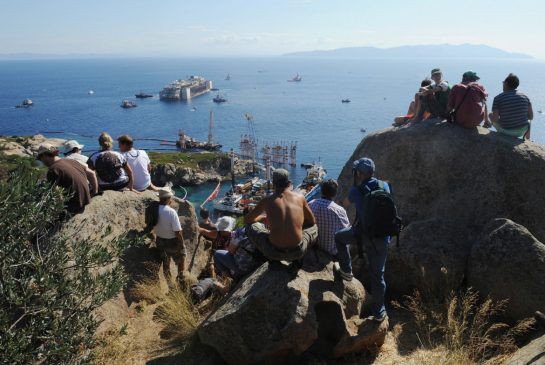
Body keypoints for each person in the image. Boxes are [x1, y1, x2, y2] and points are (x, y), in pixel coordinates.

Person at [334, 157, 390, 323]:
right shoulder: (384, 185)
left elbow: (343, 204)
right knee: (378, 276)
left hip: (362, 235)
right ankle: (380, 311)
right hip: (382, 238)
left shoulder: (356, 191)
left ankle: (346, 270)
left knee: (339, 237)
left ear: (359, 173)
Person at [244, 169, 318, 262]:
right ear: (289, 183)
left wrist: (262, 218)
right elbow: (312, 221)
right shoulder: (300, 197)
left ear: (273, 184)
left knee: (249, 226)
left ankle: (271, 261)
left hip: (273, 252)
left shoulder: (266, 200)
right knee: (314, 227)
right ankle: (298, 262)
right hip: (298, 251)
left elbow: (247, 220)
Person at [36, 143, 98, 214]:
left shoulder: (53, 170)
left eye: (40, 159)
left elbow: (58, 196)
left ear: (44, 156)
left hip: (74, 207)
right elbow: (92, 173)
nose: (42, 162)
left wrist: (57, 212)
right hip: (87, 200)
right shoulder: (71, 161)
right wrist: (95, 193)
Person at [308, 179, 350, 256]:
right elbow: (346, 230)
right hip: (332, 251)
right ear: (335, 193)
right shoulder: (339, 210)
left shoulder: (311, 204)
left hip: (315, 246)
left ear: (322, 191)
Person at [154, 187, 186, 284]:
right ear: (168, 198)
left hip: (159, 240)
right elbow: (177, 232)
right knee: (181, 260)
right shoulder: (171, 212)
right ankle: (180, 281)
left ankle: (170, 286)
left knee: (166, 264)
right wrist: (182, 243)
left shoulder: (154, 209)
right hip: (172, 242)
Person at [489, 73, 533, 139]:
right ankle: (528, 139)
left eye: (503, 82)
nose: (503, 84)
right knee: (528, 121)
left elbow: (495, 119)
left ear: (506, 83)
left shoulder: (498, 98)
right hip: (522, 131)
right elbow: (531, 117)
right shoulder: (525, 97)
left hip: (506, 131)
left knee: (490, 114)